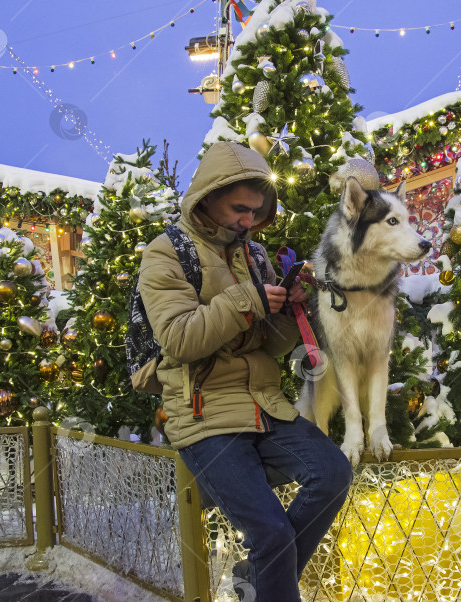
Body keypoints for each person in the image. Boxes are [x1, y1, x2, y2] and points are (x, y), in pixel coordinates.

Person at [138, 141, 352, 602]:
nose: (247, 222)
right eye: (239, 209)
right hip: (203, 413)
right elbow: (178, 339)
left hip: (263, 404)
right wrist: (250, 301)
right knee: (271, 533)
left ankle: (256, 578)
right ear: (206, 197)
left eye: (255, 212)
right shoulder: (166, 253)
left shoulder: (253, 255)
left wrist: (287, 311)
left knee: (332, 474)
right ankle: (265, 581)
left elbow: (269, 346)